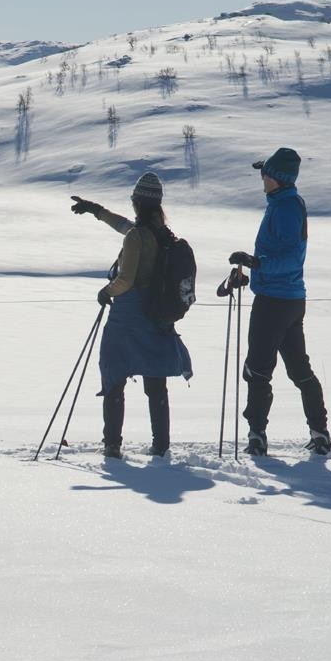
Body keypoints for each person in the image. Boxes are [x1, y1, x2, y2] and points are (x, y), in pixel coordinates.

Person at [71, 172, 193, 459]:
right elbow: (123, 225)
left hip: (128, 317)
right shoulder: (162, 233)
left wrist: (106, 292)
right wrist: (96, 211)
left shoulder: (137, 237)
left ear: (137, 202)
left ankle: (112, 445)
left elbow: (125, 279)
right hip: (156, 316)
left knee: (114, 376)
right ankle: (161, 447)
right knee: (156, 382)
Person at [228, 147, 331, 456]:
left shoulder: (286, 208)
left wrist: (256, 264)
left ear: (276, 178)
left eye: (265, 172)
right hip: (287, 298)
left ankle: (257, 437)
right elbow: (281, 258)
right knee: (299, 368)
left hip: (275, 302)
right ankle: (320, 432)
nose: (262, 177)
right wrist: (251, 274)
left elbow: (288, 257)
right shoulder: (283, 203)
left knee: (257, 369)